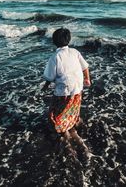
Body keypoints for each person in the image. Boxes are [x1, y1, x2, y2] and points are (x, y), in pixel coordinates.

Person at [42, 28, 91, 156]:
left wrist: (46, 86)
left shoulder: (55, 57)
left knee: (54, 112)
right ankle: (74, 121)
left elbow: (50, 77)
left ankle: (63, 131)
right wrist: (87, 79)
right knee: (73, 106)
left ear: (54, 41)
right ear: (69, 40)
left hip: (64, 90)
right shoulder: (75, 52)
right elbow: (85, 67)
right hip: (77, 88)